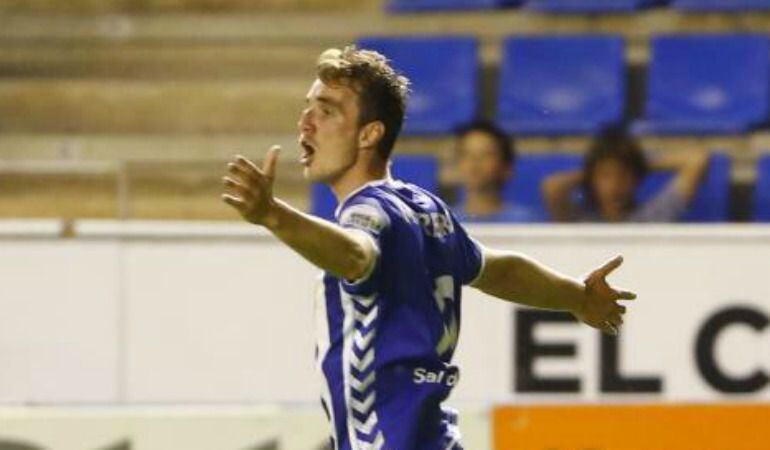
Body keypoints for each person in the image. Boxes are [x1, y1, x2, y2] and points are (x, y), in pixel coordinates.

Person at [221, 46, 634, 450]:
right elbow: (499, 271)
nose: (305, 123)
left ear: (370, 133)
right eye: (308, 107)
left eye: (326, 110)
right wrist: (576, 296)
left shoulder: (367, 212)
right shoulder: (424, 207)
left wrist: (272, 214)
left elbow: (355, 255)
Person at [543, 131, 710, 223]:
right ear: (591, 179)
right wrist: (589, 172)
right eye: (605, 176)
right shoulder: (580, 221)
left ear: (636, 178)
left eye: (623, 175)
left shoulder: (653, 216)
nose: (615, 185)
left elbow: (696, 159)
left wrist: (639, 164)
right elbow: (551, 187)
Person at [453, 120, 542, 223]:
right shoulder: (442, 222)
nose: (474, 162)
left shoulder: (527, 221)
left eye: (486, 154)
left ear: (507, 167)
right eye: (466, 154)